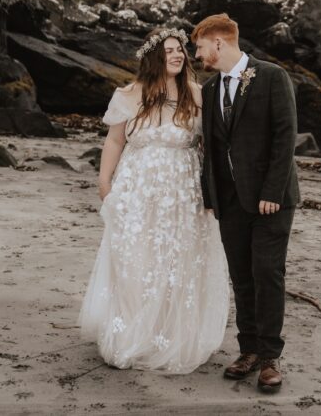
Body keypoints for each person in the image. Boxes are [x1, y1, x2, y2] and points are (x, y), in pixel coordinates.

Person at [78, 27, 229, 374]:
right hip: (137, 190)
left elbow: (211, 147)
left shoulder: (197, 94)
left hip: (182, 192)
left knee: (180, 258)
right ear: (153, 57)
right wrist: (105, 183)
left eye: (181, 50)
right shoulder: (130, 94)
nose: (178, 55)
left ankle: (169, 334)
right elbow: (115, 141)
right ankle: (134, 333)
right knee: (135, 257)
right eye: (169, 50)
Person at [192, 13, 300, 393]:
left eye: (200, 47)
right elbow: (210, 148)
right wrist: (212, 197)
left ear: (218, 43)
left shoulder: (271, 77)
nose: (198, 55)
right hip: (230, 202)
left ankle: (271, 357)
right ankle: (249, 350)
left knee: (267, 274)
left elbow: (286, 137)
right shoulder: (208, 91)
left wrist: (272, 191)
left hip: (272, 200)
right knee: (241, 277)